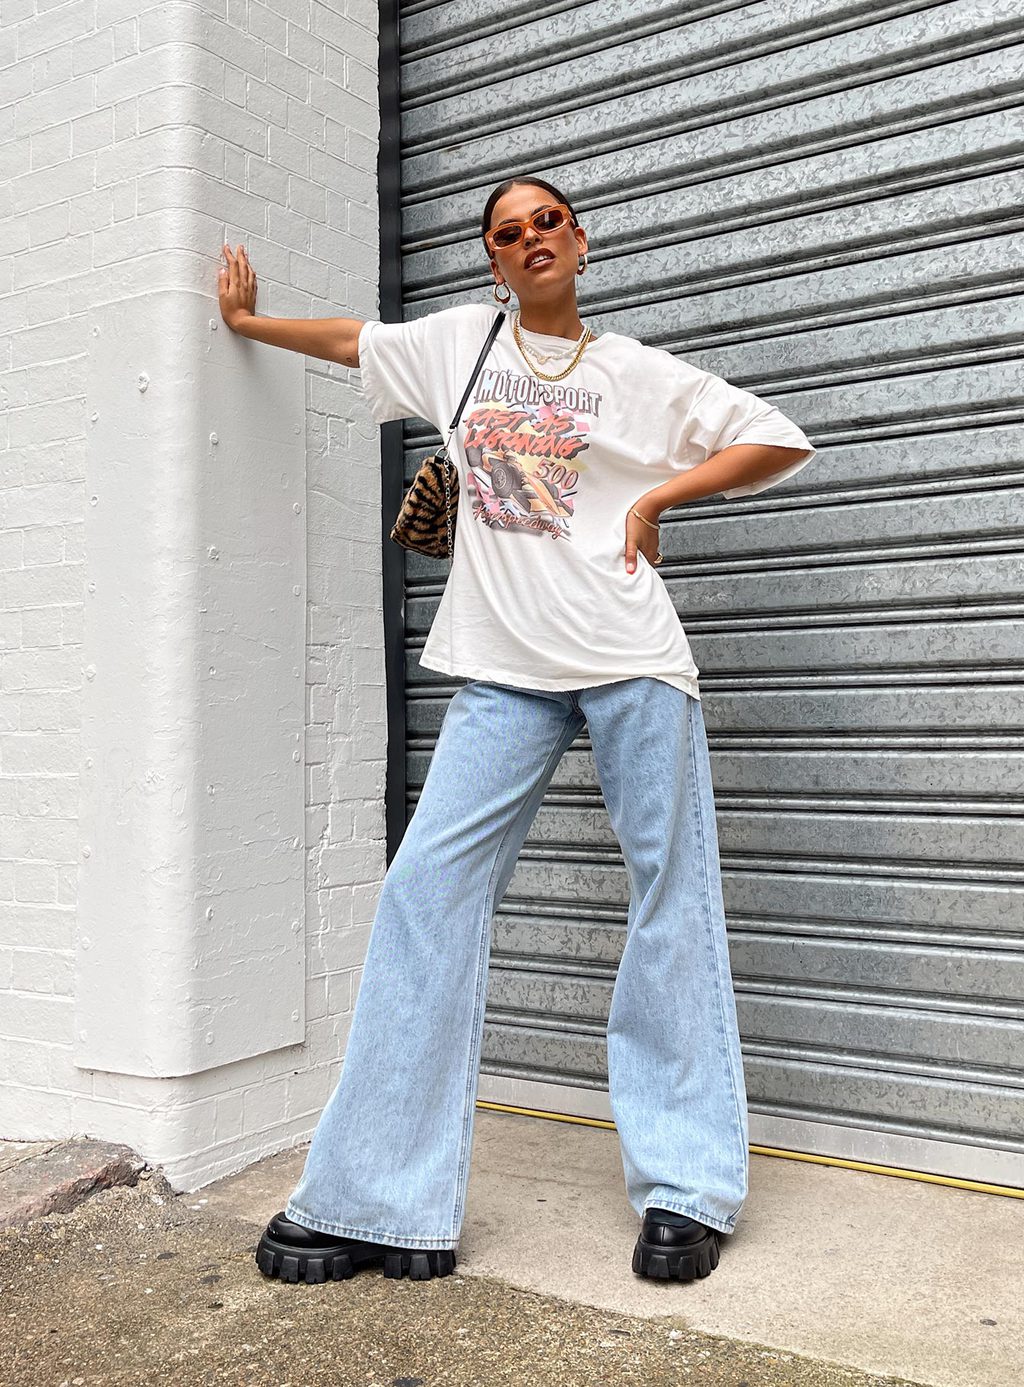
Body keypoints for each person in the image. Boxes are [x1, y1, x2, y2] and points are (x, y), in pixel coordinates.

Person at [217, 174, 816, 1287]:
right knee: (423, 894)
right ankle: (377, 1198)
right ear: (492, 262)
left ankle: (686, 1186)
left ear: (579, 241)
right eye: (507, 232)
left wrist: (652, 503)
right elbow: (355, 339)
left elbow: (773, 438)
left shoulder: (634, 373)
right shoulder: (458, 347)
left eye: (547, 221)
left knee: (669, 904)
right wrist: (250, 324)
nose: (530, 238)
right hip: (501, 673)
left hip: (634, 661)